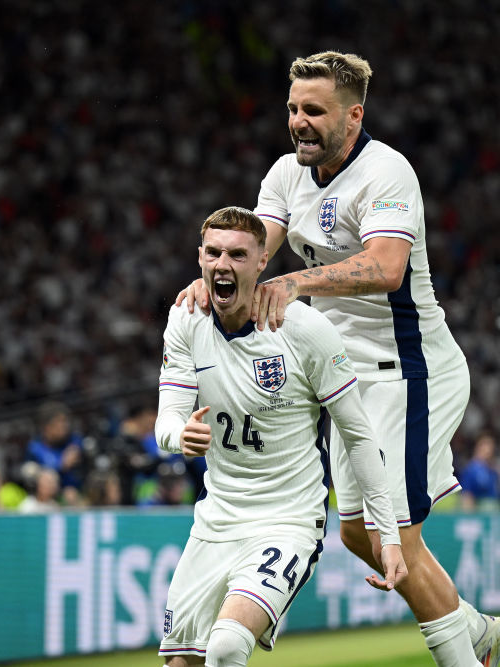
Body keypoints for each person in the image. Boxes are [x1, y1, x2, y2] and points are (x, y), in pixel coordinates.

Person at [178, 52, 500, 666]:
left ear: (354, 116)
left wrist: (298, 285)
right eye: (292, 110)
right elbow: (258, 250)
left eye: (314, 111)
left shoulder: (388, 173)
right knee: (360, 531)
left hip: (411, 373)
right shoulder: (284, 175)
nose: (298, 122)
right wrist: (214, 279)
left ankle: (467, 658)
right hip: (348, 380)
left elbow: (386, 269)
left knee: (396, 536)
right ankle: (472, 628)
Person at [157, 207, 409, 667]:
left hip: (288, 520)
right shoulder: (185, 321)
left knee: (228, 645)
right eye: (213, 253)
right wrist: (181, 435)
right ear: (199, 259)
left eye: (237, 254)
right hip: (216, 522)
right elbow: (167, 421)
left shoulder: (304, 330)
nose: (222, 264)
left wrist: (387, 533)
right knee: (181, 663)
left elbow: (357, 434)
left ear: (261, 262)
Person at [25, 401, 85, 505]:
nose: (65, 426)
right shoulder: (35, 449)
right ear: (47, 426)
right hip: (47, 501)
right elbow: (33, 479)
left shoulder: (74, 442)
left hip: (77, 497)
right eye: (60, 422)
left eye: (66, 421)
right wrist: (62, 465)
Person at [458, 432, 500, 511]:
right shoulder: (471, 469)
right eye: (487, 447)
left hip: (495, 510)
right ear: (479, 448)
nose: (490, 452)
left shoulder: (492, 469)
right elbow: (466, 495)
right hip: (480, 512)